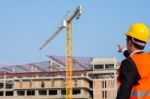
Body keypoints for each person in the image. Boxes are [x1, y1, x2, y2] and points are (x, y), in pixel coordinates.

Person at [116, 23, 150, 99]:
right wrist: (124, 50)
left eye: (126, 39)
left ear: (130, 41)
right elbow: (137, 61)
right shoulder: (147, 58)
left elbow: (124, 93)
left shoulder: (128, 63)